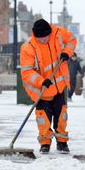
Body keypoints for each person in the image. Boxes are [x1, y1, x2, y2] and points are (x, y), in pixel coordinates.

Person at [20, 19, 77, 154]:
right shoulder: (28, 47)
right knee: (43, 118)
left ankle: (62, 142)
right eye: (40, 39)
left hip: (59, 85)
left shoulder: (58, 33)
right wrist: (41, 81)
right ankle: (45, 143)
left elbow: (72, 40)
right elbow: (27, 71)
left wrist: (67, 52)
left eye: (45, 38)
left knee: (61, 115)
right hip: (42, 89)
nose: (43, 41)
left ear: (49, 33)